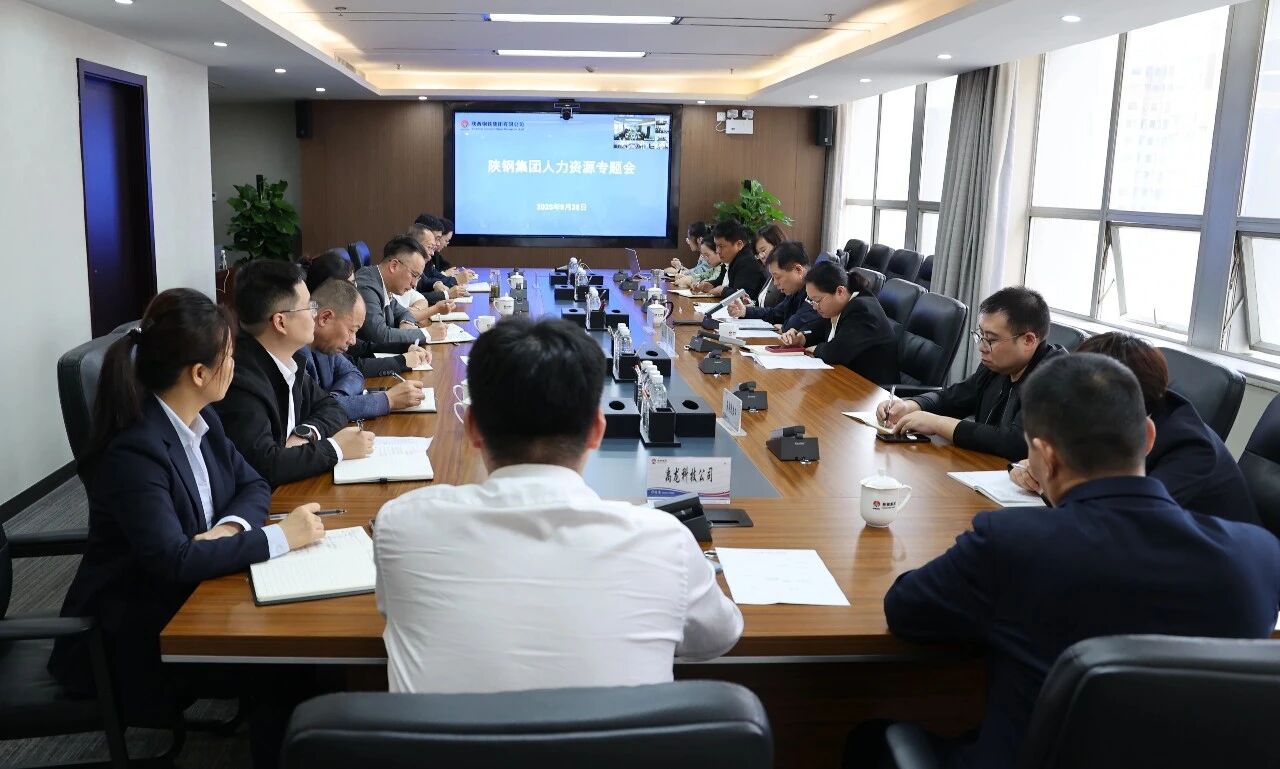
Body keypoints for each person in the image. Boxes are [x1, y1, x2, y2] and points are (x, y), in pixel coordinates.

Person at [882, 353, 1280, 769]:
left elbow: (906, 610)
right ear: (1148, 437)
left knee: (870, 737)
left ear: (1043, 456)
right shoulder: (1259, 554)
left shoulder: (1012, 542)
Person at [374, 317, 743, 694]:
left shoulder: (402, 526)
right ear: (598, 430)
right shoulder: (665, 542)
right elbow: (718, 638)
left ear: (472, 427)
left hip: (447, 736)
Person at [48, 289, 327, 760]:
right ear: (199, 373)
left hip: (192, 594)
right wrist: (279, 537)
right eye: (230, 357)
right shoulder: (136, 449)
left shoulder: (201, 418)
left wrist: (231, 530)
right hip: (132, 637)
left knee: (298, 647)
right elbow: (173, 560)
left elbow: (254, 483)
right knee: (287, 665)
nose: (236, 366)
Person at [1009, 332, 1261, 526]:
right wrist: (1041, 470)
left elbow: (1126, 522)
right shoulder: (1113, 420)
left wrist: (1054, 479)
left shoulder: (1190, 449)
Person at [215, 259, 374, 487]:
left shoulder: (291, 361)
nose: (314, 315)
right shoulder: (241, 380)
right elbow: (265, 465)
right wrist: (336, 448)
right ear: (280, 322)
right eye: (309, 307)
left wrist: (305, 434)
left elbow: (332, 408)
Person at [875, 287, 1065, 461]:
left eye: (991, 340)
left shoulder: (1055, 378)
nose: (982, 347)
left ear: (1029, 340)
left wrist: (937, 423)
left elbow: (1016, 443)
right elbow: (955, 397)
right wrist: (911, 405)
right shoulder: (997, 366)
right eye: (980, 336)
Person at [302, 278, 426, 420]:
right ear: (325, 318)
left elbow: (353, 373)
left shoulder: (326, 345)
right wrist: (387, 400)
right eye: (351, 330)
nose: (353, 341)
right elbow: (317, 411)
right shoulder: (294, 352)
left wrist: (336, 399)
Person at [303, 250, 431, 378]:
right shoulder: (309, 342)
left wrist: (405, 348)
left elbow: (363, 348)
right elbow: (353, 366)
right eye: (350, 286)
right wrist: (402, 361)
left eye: (354, 284)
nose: (356, 290)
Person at [778, 262, 897, 384]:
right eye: (811, 300)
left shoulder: (863, 310)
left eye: (818, 300)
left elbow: (837, 352)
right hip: (847, 379)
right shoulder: (840, 306)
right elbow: (820, 327)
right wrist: (801, 337)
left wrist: (816, 349)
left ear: (840, 291)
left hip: (873, 388)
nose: (814, 307)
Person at [355, 235, 436, 347]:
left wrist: (406, 323)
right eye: (414, 275)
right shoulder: (367, 285)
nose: (414, 284)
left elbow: (403, 312)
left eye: (418, 278)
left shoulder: (383, 283)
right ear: (394, 265)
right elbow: (380, 335)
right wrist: (427, 334)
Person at [726, 241, 821, 333]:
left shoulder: (816, 289)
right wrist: (744, 311)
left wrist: (784, 327)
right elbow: (775, 313)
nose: (775, 283)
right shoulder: (795, 290)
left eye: (778, 277)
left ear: (798, 270)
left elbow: (797, 323)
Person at [695, 220, 767, 300]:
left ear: (739, 244)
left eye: (721, 246)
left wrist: (722, 290)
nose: (717, 251)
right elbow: (720, 281)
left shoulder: (748, 262)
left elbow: (744, 297)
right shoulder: (730, 259)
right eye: (716, 246)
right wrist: (711, 284)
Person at [409, 220, 467, 301]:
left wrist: (436, 284)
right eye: (429, 247)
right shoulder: (407, 265)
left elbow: (426, 282)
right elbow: (412, 297)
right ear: (416, 245)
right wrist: (446, 294)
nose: (432, 253)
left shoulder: (422, 262)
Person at [753, 223, 787, 308]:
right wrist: (751, 306)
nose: (761, 256)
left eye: (763, 250)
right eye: (758, 253)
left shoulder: (787, 272)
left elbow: (779, 311)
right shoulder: (769, 272)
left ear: (777, 244)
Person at [671, 221, 712, 287]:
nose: (688, 242)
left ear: (700, 239)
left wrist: (680, 270)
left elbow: (700, 273)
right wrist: (680, 267)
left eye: (689, 238)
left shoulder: (708, 253)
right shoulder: (702, 254)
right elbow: (697, 272)